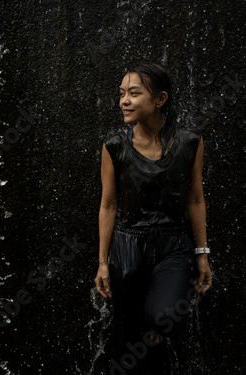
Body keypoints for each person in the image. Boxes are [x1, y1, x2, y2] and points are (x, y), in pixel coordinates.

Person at [94, 61, 213, 374]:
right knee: (128, 336)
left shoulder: (190, 142)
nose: (124, 100)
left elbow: (196, 198)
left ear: (160, 99)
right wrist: (103, 261)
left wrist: (202, 254)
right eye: (122, 94)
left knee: (163, 317)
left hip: (174, 245)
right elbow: (108, 205)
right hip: (127, 246)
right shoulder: (114, 146)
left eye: (134, 93)